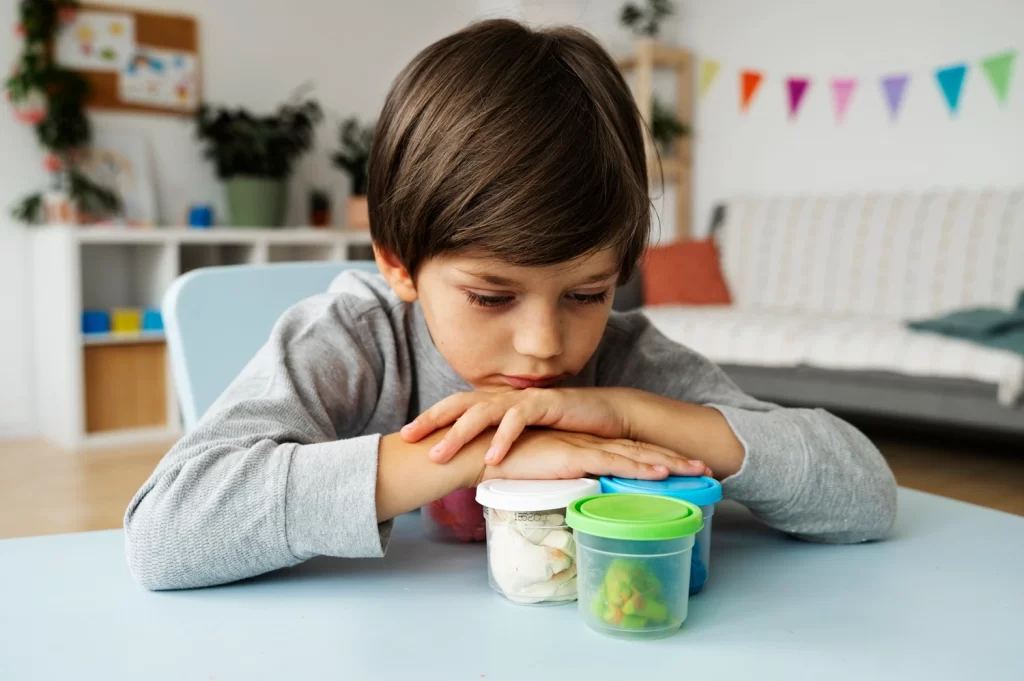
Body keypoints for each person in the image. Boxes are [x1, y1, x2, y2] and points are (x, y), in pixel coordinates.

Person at [125, 19, 896, 590]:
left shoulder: (625, 361)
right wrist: (479, 449)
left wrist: (635, 417)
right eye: (492, 294)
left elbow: (866, 495)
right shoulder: (356, 339)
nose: (543, 344)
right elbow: (163, 533)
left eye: (587, 292)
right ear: (398, 262)